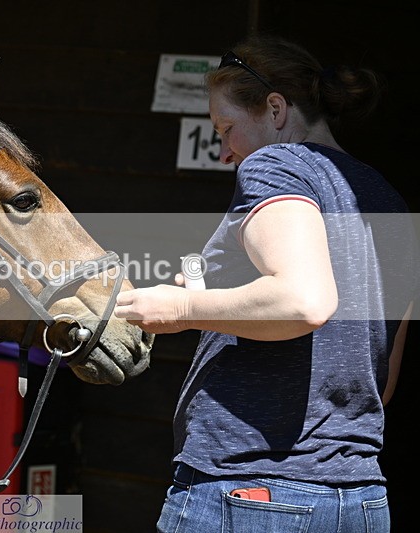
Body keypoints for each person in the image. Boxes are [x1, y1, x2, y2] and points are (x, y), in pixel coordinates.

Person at [114, 34, 418, 533]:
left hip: (254, 491)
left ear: (275, 109)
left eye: (226, 127)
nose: (224, 151)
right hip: (359, 499)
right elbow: (379, 382)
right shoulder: (392, 203)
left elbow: (302, 301)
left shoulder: (277, 165)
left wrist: (180, 309)